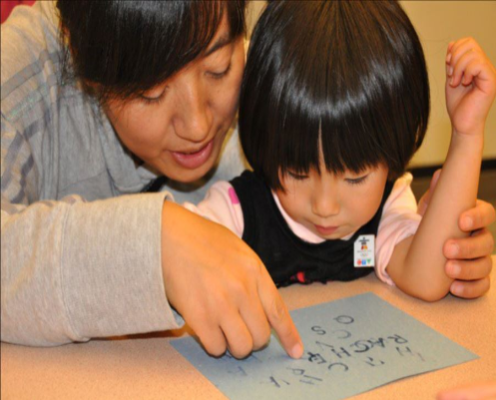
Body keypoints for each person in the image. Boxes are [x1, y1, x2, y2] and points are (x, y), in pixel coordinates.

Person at [0, 1, 493, 359]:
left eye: (218, 68)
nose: (197, 126)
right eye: (150, 94)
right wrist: (155, 243)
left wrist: (447, 223)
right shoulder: (25, 72)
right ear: (82, 63)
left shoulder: (274, 88)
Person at [184, 1, 496, 301]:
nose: (325, 206)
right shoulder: (237, 211)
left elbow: (427, 280)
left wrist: (466, 135)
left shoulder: (386, 206)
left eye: (355, 178)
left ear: (392, 157)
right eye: (298, 172)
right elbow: (176, 252)